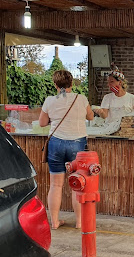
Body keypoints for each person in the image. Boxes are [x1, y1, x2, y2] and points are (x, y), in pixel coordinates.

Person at [39, 70, 94, 229]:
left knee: (56, 185)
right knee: (78, 184)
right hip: (77, 144)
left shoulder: (50, 100)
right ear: (72, 83)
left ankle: (55, 222)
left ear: (55, 84)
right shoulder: (81, 99)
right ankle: (79, 222)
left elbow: (42, 123)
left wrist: (54, 119)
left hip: (56, 144)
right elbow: (90, 117)